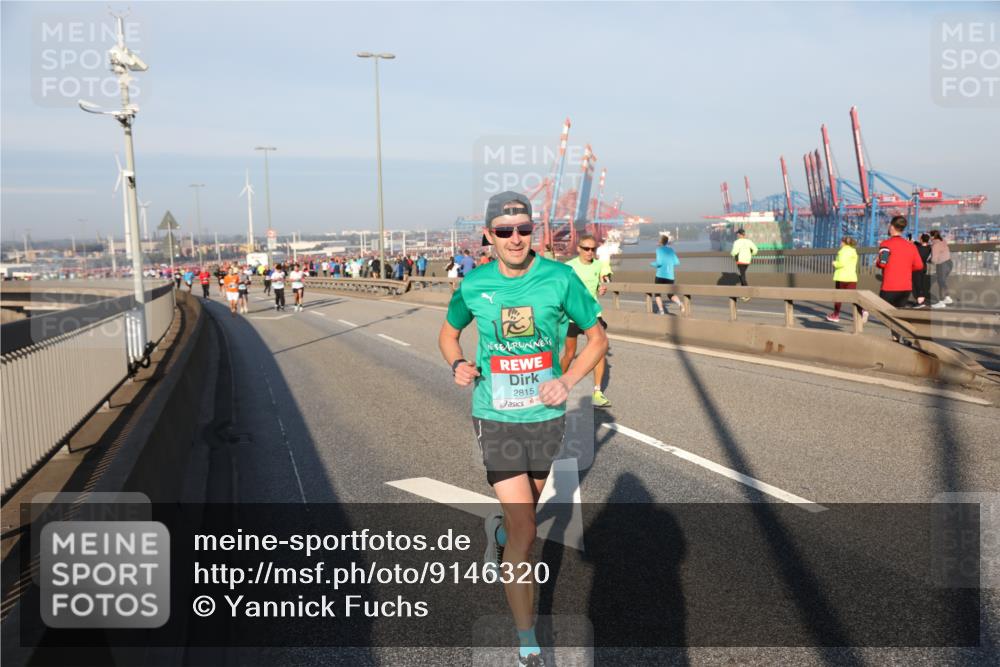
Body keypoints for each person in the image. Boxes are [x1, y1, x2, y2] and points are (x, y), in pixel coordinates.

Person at [438, 191, 607, 667]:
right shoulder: (474, 286)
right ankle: (528, 641)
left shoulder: (560, 278)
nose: (516, 238)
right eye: (505, 231)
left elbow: (597, 338)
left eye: (525, 229)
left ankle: (503, 538)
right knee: (528, 531)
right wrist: (457, 363)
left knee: (523, 518)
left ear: (534, 231)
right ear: (488, 235)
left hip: (545, 417)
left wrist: (569, 380)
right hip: (494, 415)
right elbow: (449, 333)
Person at [562, 233, 614, 408]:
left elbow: (599, 283)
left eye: (593, 249)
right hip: (571, 316)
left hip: (593, 314)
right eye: (586, 249)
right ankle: (560, 385)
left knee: (599, 351)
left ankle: (597, 392)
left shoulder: (598, 265)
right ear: (579, 249)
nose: (590, 252)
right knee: (570, 354)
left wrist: (601, 288)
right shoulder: (569, 267)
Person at [875, 215, 923, 341]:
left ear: (891, 227)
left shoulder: (886, 244)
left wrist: (877, 262)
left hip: (889, 286)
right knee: (897, 314)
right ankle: (898, 338)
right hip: (905, 287)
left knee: (879, 310)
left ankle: (863, 312)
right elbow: (919, 265)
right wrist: (905, 269)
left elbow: (882, 263)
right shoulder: (911, 246)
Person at [826, 236, 867, 323]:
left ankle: (835, 315)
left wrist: (834, 263)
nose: (840, 243)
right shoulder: (854, 251)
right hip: (852, 277)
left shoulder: (842, 251)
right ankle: (862, 310)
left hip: (842, 277)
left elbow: (841, 263)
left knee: (838, 297)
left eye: (841, 242)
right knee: (853, 297)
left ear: (844, 243)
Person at [650, 235, 684, 315]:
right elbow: (677, 262)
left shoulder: (658, 250)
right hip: (670, 276)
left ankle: (661, 311)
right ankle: (680, 303)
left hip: (660, 275)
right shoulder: (671, 250)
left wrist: (652, 264)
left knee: (657, 293)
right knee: (670, 294)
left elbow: (659, 263)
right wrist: (669, 263)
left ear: (660, 241)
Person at [730, 228, 758, 301]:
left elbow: (734, 251)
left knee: (742, 276)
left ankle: (747, 294)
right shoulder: (749, 241)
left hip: (740, 261)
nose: (737, 235)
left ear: (739, 234)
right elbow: (755, 250)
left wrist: (732, 255)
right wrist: (751, 254)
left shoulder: (737, 242)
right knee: (741, 276)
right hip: (747, 261)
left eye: (737, 234)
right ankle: (743, 294)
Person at [929, 229, 953, 308]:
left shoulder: (935, 245)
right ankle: (947, 297)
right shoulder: (943, 241)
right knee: (943, 282)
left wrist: (929, 261)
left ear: (932, 236)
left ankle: (941, 301)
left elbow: (934, 259)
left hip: (942, 264)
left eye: (930, 236)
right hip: (949, 263)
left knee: (941, 282)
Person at [912, 233, 932, 308]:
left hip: (917, 267)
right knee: (921, 283)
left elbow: (916, 244)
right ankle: (921, 300)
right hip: (924, 267)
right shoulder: (929, 248)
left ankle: (920, 302)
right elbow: (921, 244)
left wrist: (912, 240)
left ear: (921, 239)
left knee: (917, 285)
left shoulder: (917, 248)